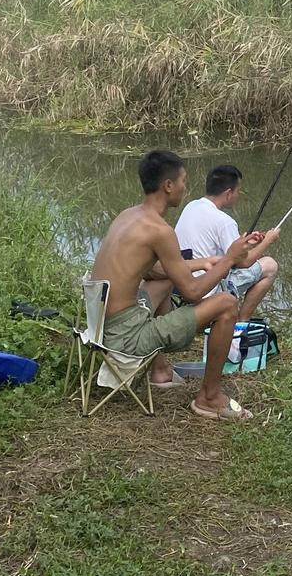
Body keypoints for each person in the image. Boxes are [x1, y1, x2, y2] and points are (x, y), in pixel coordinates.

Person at [90, 149, 264, 421]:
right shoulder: (160, 231)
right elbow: (193, 292)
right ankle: (208, 398)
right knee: (227, 304)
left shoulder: (129, 216)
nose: (185, 187)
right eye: (183, 180)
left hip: (98, 325)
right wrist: (229, 259)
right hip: (125, 338)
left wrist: (203, 263)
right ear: (168, 186)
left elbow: (154, 271)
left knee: (165, 281)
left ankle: (160, 373)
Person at [175, 165, 280, 336]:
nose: (238, 195)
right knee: (270, 265)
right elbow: (243, 263)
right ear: (229, 193)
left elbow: (228, 248)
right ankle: (241, 323)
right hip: (206, 292)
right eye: (238, 191)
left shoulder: (191, 206)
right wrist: (268, 240)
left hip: (183, 287)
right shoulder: (225, 221)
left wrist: (246, 240)